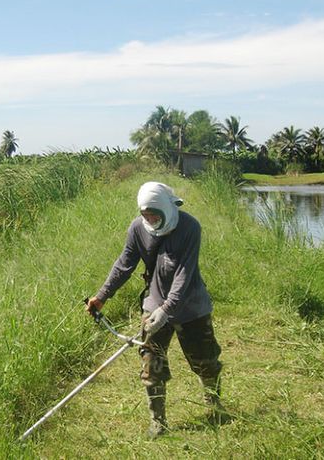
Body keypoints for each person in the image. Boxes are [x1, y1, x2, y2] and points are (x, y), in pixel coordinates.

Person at [86, 181, 225, 438]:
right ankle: (158, 422)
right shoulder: (138, 229)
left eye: (154, 214)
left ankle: (215, 405)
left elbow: (184, 274)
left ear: (166, 209)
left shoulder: (189, 227)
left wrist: (166, 310)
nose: (150, 219)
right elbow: (124, 265)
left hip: (191, 306)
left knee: (206, 361)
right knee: (151, 365)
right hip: (154, 305)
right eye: (145, 214)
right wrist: (102, 296)